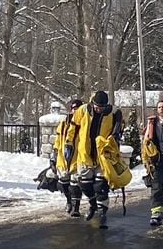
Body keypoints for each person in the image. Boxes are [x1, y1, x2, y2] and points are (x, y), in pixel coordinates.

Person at [71, 89, 123, 229]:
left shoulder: (112, 113)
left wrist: (116, 135)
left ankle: (102, 214)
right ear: (92, 103)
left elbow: (117, 124)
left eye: (101, 107)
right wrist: (69, 144)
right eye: (96, 106)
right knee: (85, 184)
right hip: (85, 154)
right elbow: (73, 126)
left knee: (101, 186)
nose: (98, 109)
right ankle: (93, 204)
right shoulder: (83, 110)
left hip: (102, 155)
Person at [50, 98, 83, 218]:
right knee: (63, 183)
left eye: (78, 109)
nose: (76, 111)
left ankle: (76, 207)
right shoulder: (64, 123)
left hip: (77, 158)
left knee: (75, 184)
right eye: (74, 109)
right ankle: (69, 201)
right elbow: (58, 140)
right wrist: (54, 155)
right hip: (63, 158)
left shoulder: (84, 124)